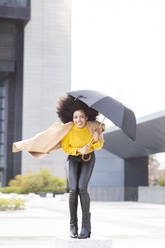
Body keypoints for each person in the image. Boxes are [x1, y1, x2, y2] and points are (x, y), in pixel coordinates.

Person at [57, 95, 105, 239]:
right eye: (76, 117)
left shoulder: (93, 127)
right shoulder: (69, 129)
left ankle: (86, 227)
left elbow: (99, 145)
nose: (79, 120)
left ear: (86, 117)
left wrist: (95, 140)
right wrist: (78, 150)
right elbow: (65, 147)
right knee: (73, 190)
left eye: (82, 117)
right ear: (72, 118)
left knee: (82, 188)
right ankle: (73, 226)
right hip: (73, 159)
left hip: (88, 159)